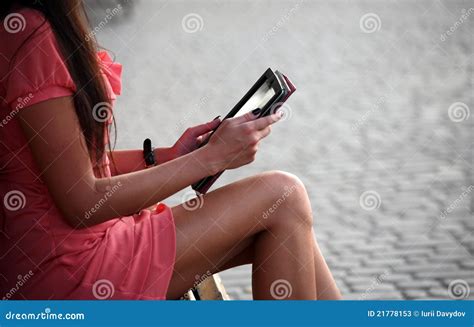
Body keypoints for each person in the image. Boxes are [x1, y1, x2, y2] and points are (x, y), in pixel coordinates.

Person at [0, 0, 341, 300]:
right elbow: (82, 201)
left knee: (286, 226)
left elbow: (75, 166)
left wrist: (165, 157)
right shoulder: (30, 32)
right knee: (284, 195)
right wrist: (210, 158)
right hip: (65, 273)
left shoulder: (49, 21)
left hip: (80, 250)